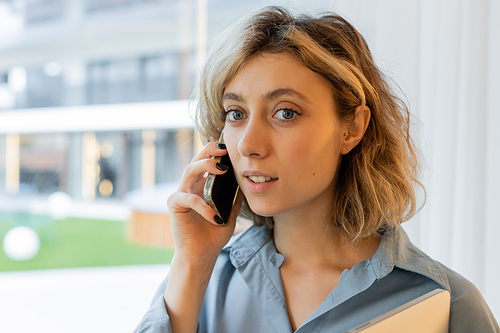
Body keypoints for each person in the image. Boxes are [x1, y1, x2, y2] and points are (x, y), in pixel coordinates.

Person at [135, 6, 499, 333]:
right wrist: (193, 261)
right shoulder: (203, 281)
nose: (247, 144)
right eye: (236, 114)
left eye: (285, 112)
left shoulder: (448, 305)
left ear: (352, 128)